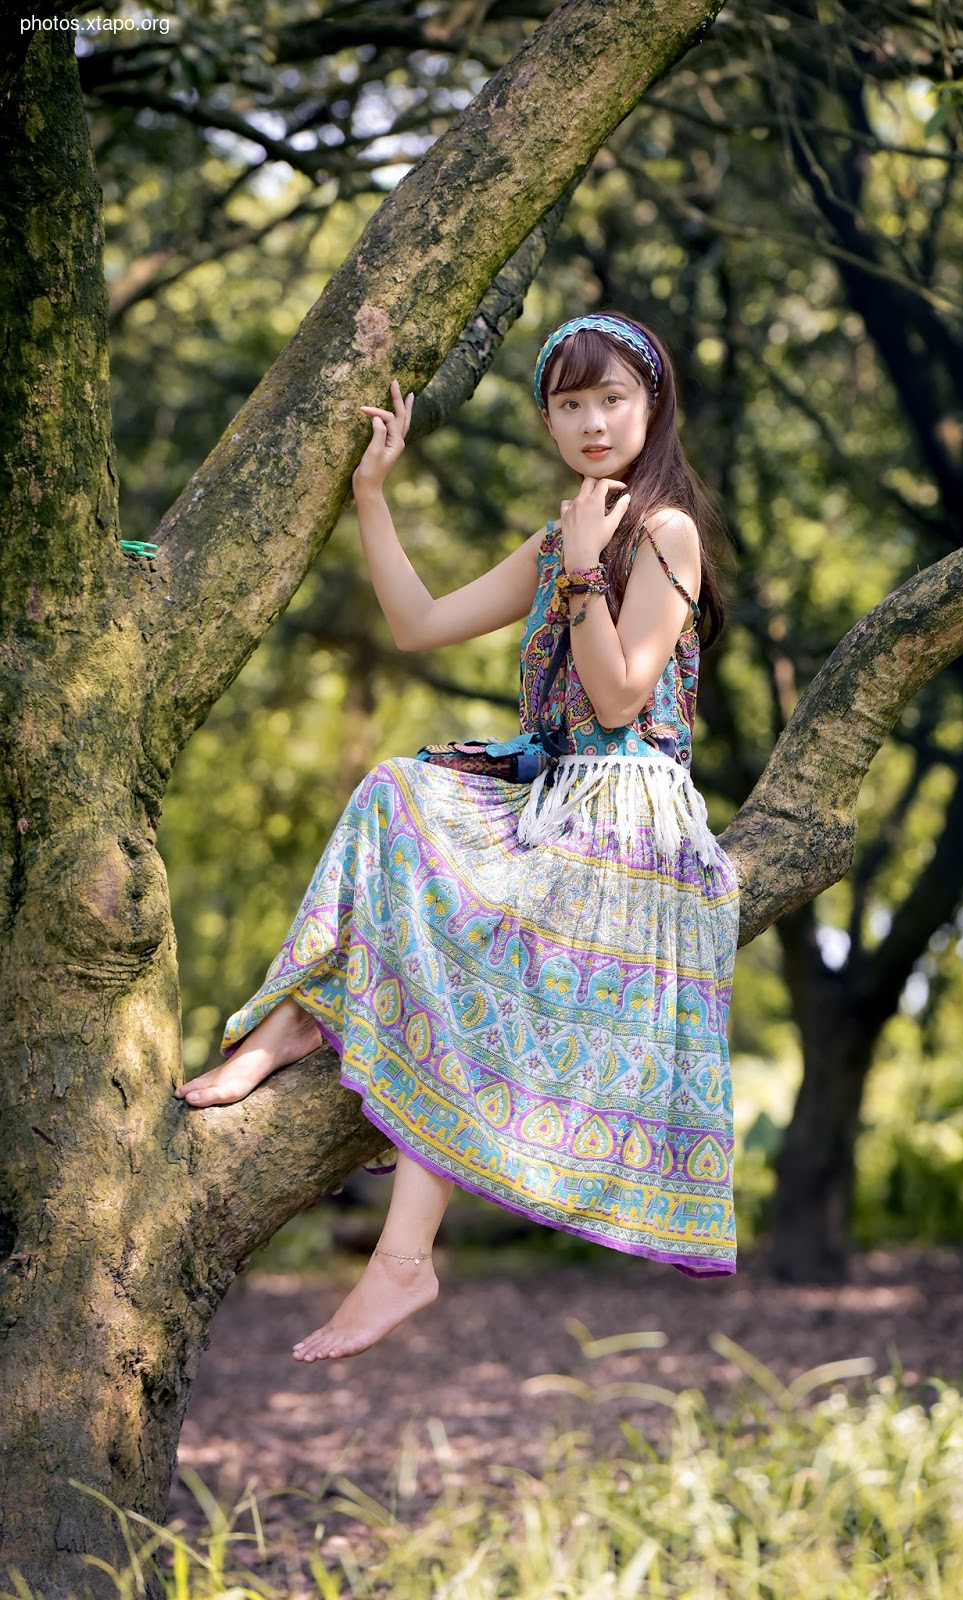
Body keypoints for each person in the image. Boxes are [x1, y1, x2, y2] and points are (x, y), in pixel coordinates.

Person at [175, 312, 741, 1364]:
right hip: (556, 798)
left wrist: (584, 572)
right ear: (547, 421)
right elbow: (419, 624)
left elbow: (620, 700)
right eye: (568, 403)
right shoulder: (558, 538)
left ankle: (402, 1258)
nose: (591, 421)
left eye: (610, 397)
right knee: (396, 791)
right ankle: (299, 1017)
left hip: (628, 822)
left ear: (651, 404)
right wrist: (371, 495)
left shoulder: (666, 531)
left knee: (480, 942)